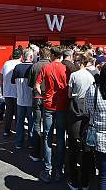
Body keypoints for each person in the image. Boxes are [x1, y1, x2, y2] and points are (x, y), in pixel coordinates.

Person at [35, 47, 68, 183]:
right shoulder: (66, 69)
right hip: (62, 106)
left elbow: (37, 84)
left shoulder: (46, 68)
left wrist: (43, 96)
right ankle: (58, 171)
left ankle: (48, 170)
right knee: (60, 137)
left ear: (53, 55)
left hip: (48, 105)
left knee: (47, 136)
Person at [67, 53, 96, 190]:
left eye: (76, 61)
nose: (75, 63)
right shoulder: (91, 76)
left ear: (81, 62)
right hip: (87, 112)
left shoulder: (74, 76)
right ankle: (85, 180)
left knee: (73, 147)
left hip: (75, 110)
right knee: (86, 147)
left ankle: (73, 179)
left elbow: (69, 94)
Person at [27, 47, 51, 162]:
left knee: (36, 124)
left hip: (37, 97)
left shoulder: (34, 66)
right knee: (47, 126)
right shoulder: (51, 66)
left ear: (39, 55)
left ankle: (36, 153)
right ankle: (48, 154)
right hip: (48, 98)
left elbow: (30, 83)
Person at [11, 48, 35, 149]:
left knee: (19, 121)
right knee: (31, 122)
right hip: (30, 100)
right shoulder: (33, 67)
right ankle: (31, 142)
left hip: (20, 99)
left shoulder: (17, 67)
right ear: (30, 57)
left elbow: (13, 81)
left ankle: (18, 143)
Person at [0, 49, 23, 137]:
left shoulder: (6, 63)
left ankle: (6, 130)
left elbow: (1, 77)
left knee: (8, 112)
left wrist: (2, 88)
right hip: (18, 92)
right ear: (21, 56)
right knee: (18, 113)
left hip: (7, 92)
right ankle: (18, 131)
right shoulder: (20, 65)